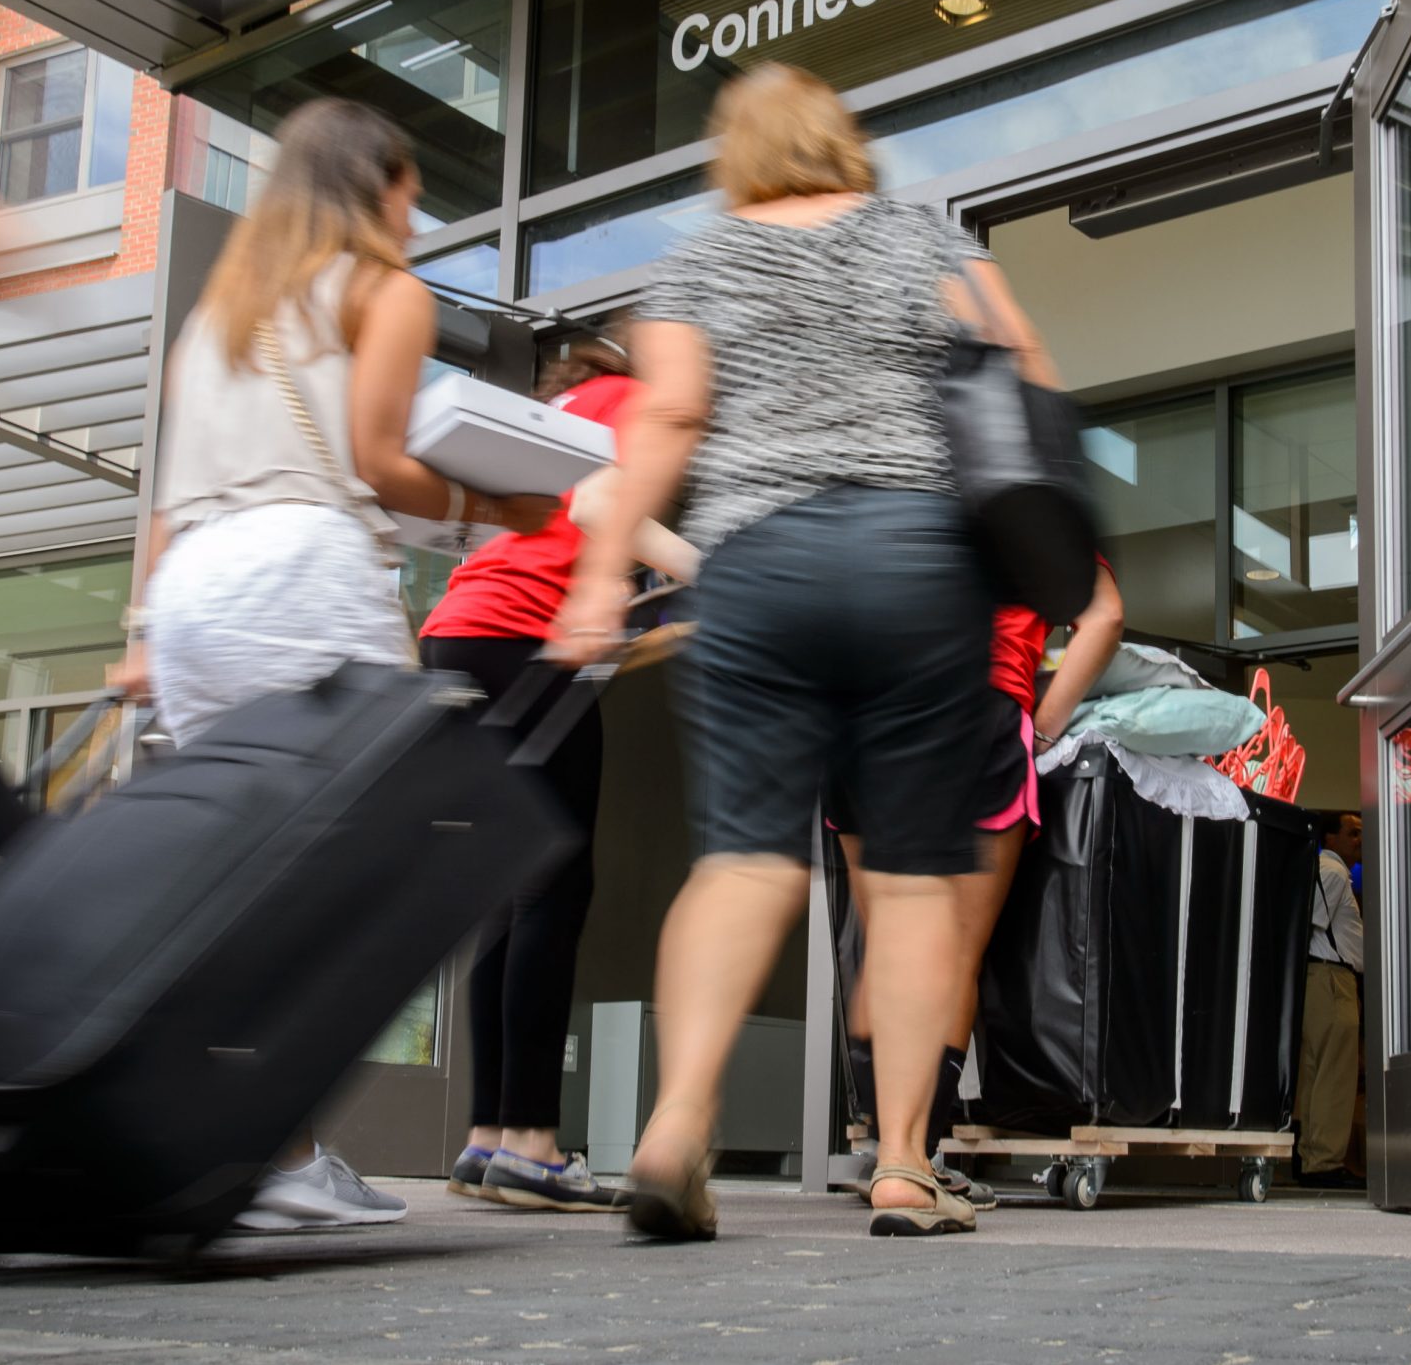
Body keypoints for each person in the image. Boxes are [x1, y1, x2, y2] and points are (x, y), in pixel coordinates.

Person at [553, 62, 1065, 1242]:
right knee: (911, 876)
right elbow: (1024, 362)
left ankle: (677, 1126)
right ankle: (899, 1166)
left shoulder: (700, 258)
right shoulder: (915, 233)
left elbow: (668, 418)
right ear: (842, 137)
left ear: (732, 149)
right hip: (915, 561)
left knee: (742, 859)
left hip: (756, 566)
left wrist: (596, 575)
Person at [109, 95, 557, 1233]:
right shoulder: (383, 289)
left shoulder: (220, 312)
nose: (418, 217)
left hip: (193, 590)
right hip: (301, 567)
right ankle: (276, 1147)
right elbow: (376, 461)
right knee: (367, 872)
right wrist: (495, 506)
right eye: (412, 192)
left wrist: (141, 636)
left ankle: (250, 1142)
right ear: (380, 185)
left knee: (249, 873)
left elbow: (167, 497)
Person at [420, 331, 687, 1215]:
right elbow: (607, 499)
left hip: (457, 631)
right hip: (524, 644)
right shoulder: (625, 401)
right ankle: (533, 1141)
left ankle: (489, 1135)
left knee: (505, 889)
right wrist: (708, 568)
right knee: (554, 888)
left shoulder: (556, 411)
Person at [838, 562, 1124, 1205]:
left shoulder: (892, 467)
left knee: (885, 947)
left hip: (860, 710)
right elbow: (1103, 616)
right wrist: (1042, 727)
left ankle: (890, 1151)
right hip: (975, 702)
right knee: (950, 955)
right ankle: (905, 1161)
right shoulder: (1027, 486)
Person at [1292, 810, 1368, 1189]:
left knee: (1316, 1072)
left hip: (1318, 978)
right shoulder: (1334, 872)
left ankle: (1311, 1156)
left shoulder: (1326, 870)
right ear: (1331, 838)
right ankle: (1324, 1161)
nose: (1359, 839)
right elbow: (1312, 919)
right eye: (1352, 833)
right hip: (1332, 978)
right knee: (1336, 1073)